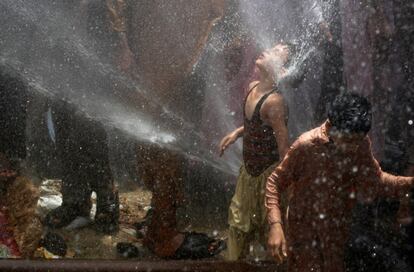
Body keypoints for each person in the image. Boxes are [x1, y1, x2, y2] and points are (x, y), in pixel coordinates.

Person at [265, 92, 414, 271]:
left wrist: (409, 183)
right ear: (332, 126)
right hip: (303, 233)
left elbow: (376, 181)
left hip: (336, 231)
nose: (353, 146)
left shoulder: (360, 142)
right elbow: (274, 183)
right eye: (349, 140)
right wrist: (275, 226)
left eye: (357, 140)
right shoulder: (306, 146)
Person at [219, 43, 291, 260]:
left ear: (283, 71)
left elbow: (283, 148)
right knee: (238, 225)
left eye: (274, 53)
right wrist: (238, 133)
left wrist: (282, 187)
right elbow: (257, 124)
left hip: (266, 177)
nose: (266, 50)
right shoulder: (252, 87)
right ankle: (235, 263)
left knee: (267, 230)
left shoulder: (275, 102)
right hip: (247, 174)